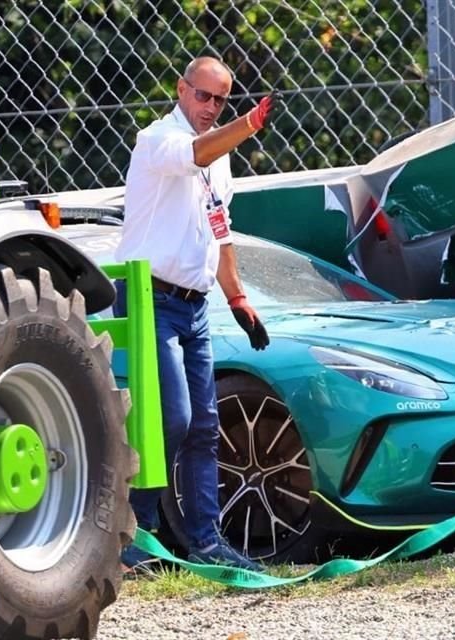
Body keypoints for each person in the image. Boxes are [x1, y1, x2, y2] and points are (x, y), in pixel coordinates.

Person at [115, 56, 276, 572]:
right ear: (181, 90)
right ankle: (135, 534)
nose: (210, 107)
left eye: (221, 100)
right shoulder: (159, 140)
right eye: (203, 96)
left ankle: (206, 540)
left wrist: (238, 296)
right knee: (172, 419)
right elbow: (199, 152)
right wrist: (246, 124)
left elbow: (219, 227)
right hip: (148, 298)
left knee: (204, 425)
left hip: (193, 304)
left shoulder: (217, 154)